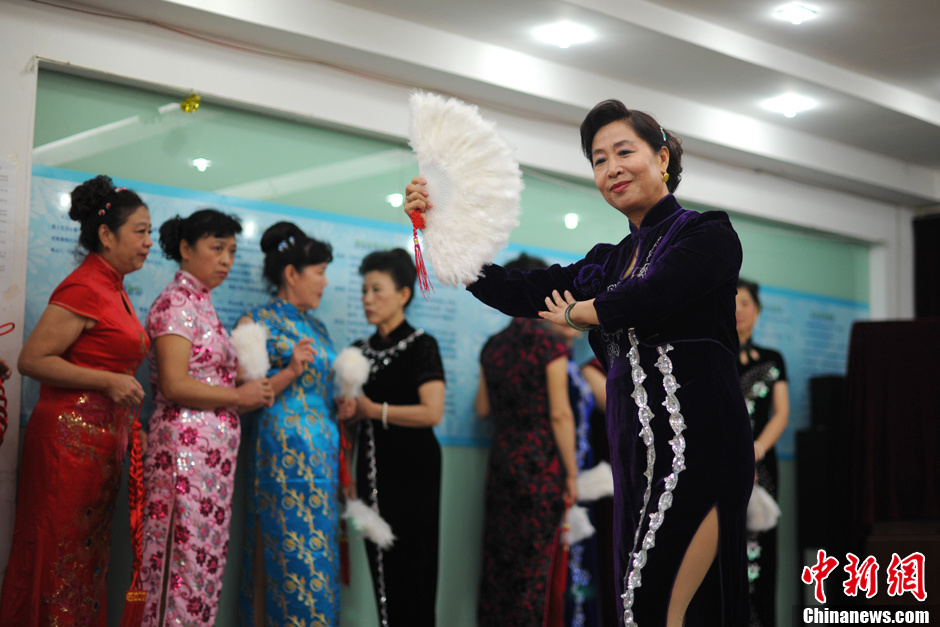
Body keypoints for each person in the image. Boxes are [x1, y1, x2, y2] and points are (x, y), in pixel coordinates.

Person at [405, 99, 754, 626]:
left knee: (651, 607)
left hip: (698, 450)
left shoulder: (708, 234)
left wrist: (583, 312)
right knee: (645, 609)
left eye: (624, 152)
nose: (612, 168)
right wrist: (441, 225)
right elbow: (520, 290)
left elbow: (656, 295)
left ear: (662, 158)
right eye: (598, 160)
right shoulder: (606, 262)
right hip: (634, 458)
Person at [0, 175, 152, 626]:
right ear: (106, 234)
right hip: (66, 446)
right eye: (140, 231)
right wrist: (108, 381)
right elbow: (32, 360)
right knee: (57, 559)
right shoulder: (85, 286)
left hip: (96, 449)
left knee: (84, 563)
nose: (148, 242)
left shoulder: (113, 286)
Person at [139, 209, 273, 627]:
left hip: (209, 463)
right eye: (217, 248)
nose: (226, 260)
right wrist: (237, 395)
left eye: (231, 251)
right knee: (178, 565)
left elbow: (212, 380)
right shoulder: (176, 303)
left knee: (201, 567)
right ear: (185, 248)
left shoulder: (202, 304)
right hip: (183, 455)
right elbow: (174, 384)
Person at [236, 222, 354, 627]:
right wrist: (289, 371)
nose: (325, 282)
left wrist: (342, 402)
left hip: (322, 462)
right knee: (282, 554)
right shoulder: (255, 323)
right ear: (291, 274)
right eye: (319, 272)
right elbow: (241, 394)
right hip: (280, 460)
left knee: (319, 558)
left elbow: (322, 389)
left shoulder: (318, 328)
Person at [474, 253, 577, 627]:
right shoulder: (550, 346)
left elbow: (482, 408)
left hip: (502, 463)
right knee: (534, 567)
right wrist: (571, 474)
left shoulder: (493, 345)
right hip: (539, 467)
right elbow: (560, 414)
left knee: (498, 562)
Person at [347, 248, 445, 626]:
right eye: (364, 291)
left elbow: (431, 412)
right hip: (373, 472)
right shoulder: (357, 352)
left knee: (413, 572)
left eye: (377, 290)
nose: (367, 299)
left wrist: (375, 410)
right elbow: (352, 417)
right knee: (382, 571)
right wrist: (349, 412)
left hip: (415, 473)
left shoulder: (422, 344)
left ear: (403, 294)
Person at [735, 279, 789, 627]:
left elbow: (781, 413)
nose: (737, 311)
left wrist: (757, 448)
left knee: (761, 549)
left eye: (745, 304)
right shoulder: (711, 356)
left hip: (761, 465)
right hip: (720, 465)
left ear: (757, 310)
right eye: (731, 304)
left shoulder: (772, 359)